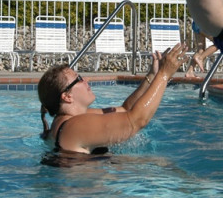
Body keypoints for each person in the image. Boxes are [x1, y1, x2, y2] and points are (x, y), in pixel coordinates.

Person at [38, 44, 186, 155]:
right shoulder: (74, 126)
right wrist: (164, 75)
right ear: (67, 96)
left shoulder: (71, 119)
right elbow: (136, 121)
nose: (86, 80)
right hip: (86, 193)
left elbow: (125, 110)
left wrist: (152, 77)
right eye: (79, 79)